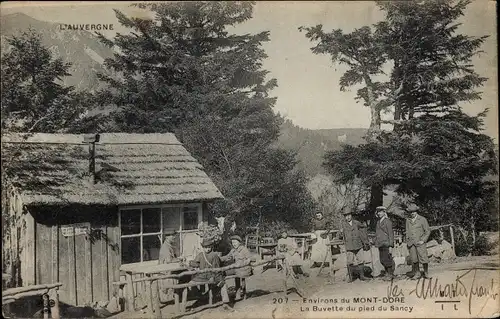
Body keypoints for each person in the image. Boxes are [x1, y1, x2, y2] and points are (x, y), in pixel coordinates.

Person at [187, 238, 233, 311]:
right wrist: (190, 262)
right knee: (190, 284)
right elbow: (196, 263)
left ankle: (225, 303)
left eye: (209, 247)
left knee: (223, 284)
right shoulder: (201, 255)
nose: (207, 249)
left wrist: (214, 277)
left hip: (211, 275)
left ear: (211, 247)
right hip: (202, 276)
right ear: (203, 248)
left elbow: (216, 269)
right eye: (205, 247)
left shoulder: (214, 255)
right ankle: (201, 297)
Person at [220, 235, 255, 301]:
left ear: (239, 242)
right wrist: (218, 259)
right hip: (237, 269)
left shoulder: (244, 249)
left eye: (235, 242)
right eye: (233, 243)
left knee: (238, 276)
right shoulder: (233, 250)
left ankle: (240, 294)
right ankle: (237, 294)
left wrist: (248, 260)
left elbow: (252, 258)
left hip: (243, 269)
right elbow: (227, 257)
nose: (234, 244)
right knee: (225, 273)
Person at [341, 209, 370, 282]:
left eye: (349, 215)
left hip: (358, 244)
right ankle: (351, 277)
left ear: (351, 215)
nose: (347, 217)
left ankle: (362, 276)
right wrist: (341, 233)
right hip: (349, 245)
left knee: (361, 260)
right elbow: (339, 235)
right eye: (346, 216)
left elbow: (363, 229)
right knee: (350, 261)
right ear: (344, 217)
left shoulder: (356, 223)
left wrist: (364, 239)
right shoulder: (343, 224)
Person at [405, 204, 431, 279]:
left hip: (420, 242)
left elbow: (427, 231)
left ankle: (426, 273)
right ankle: (417, 273)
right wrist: (408, 240)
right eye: (410, 212)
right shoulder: (408, 220)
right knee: (414, 259)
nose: (412, 213)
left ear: (416, 211)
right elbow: (407, 231)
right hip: (411, 243)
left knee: (424, 258)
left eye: (413, 212)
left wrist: (423, 240)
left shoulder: (422, 219)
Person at [374, 206, 395, 281]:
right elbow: (377, 233)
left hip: (386, 243)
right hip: (380, 244)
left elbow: (391, 234)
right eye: (378, 212)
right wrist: (375, 242)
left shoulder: (387, 221)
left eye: (380, 212)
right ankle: (386, 273)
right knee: (382, 260)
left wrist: (391, 245)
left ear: (384, 212)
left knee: (387, 259)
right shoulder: (378, 222)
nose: (379, 213)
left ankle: (390, 274)